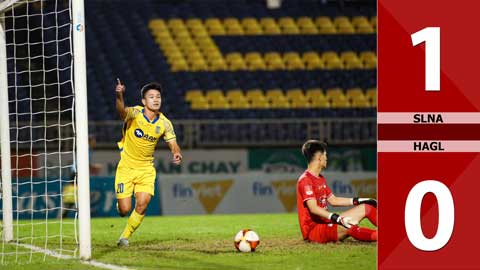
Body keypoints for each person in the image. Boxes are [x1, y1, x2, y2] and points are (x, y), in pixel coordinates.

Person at [115, 79, 182, 247]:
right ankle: (121, 205)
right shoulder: (136, 113)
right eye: (151, 97)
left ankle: (125, 236)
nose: (156, 99)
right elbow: (121, 112)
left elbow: (172, 142)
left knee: (142, 205)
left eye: (158, 96)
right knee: (124, 210)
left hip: (146, 169)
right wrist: (119, 94)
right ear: (144, 101)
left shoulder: (164, 123)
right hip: (126, 167)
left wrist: (176, 153)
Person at [297, 140, 377, 243]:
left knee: (367, 208)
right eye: (325, 155)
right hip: (314, 230)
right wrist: (337, 218)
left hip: (327, 222)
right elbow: (313, 209)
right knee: (349, 227)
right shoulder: (305, 180)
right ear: (319, 157)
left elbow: (334, 200)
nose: (326, 158)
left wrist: (361, 200)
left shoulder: (320, 178)